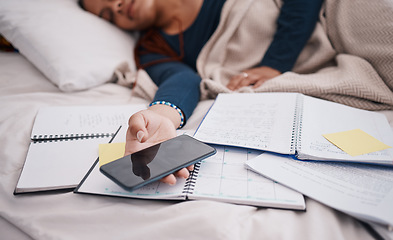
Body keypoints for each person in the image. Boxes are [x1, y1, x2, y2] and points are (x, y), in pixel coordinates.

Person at [80, 0, 323, 185]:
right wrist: (162, 117)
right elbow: (182, 80)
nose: (117, 6)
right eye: (109, 15)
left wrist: (276, 63)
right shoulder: (153, 49)